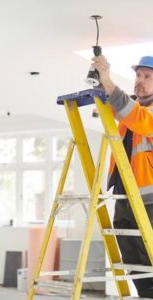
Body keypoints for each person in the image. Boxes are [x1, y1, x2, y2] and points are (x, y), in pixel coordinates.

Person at [92, 55, 153, 298]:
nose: (140, 81)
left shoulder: (145, 113)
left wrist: (108, 81)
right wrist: (100, 83)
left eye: (148, 77)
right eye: (138, 75)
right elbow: (115, 108)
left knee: (147, 252)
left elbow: (135, 115)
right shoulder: (133, 110)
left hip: (148, 197)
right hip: (124, 191)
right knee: (130, 255)